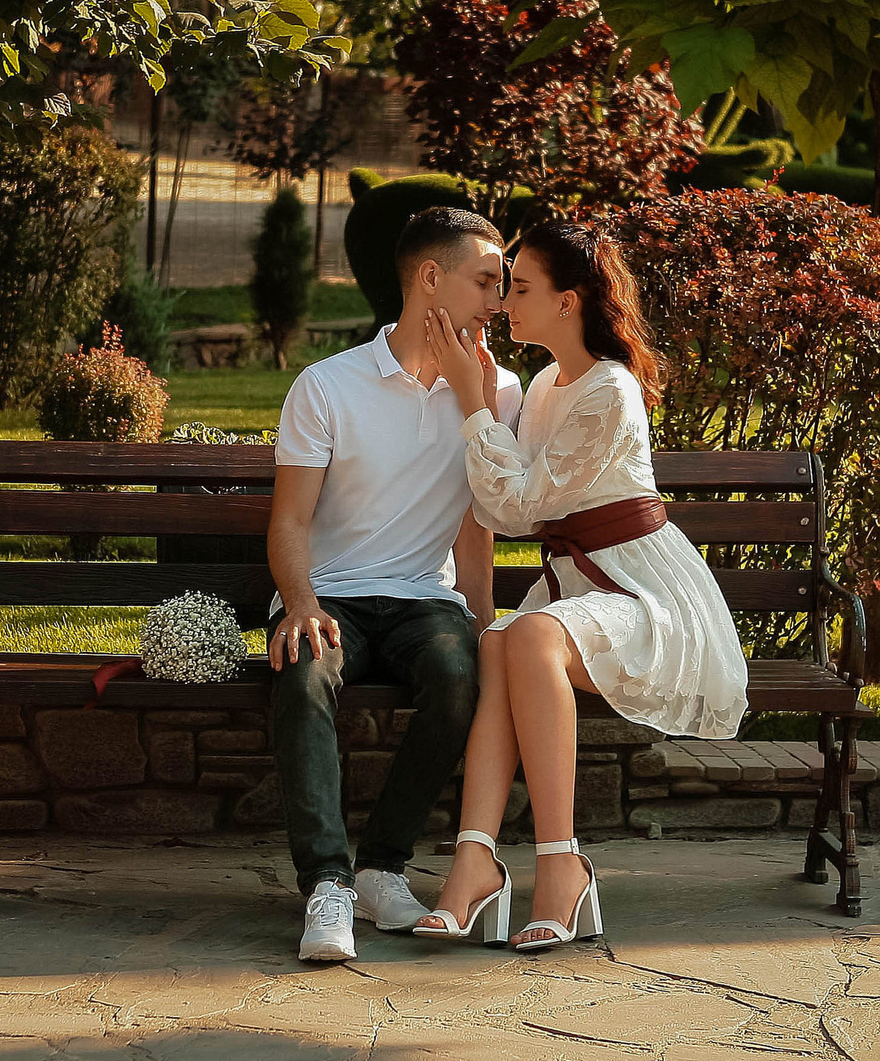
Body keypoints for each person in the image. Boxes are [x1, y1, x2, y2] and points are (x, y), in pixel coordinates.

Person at [413, 220, 748, 951]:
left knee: (526, 632)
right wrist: (481, 398)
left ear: (569, 302)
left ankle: (560, 865)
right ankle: (474, 862)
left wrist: (472, 400)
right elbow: (507, 507)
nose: (504, 303)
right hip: (577, 590)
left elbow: (520, 508)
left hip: (642, 594)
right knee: (503, 639)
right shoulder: (542, 386)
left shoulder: (610, 391)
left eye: (522, 288)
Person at [265, 205, 524, 962]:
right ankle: (326, 887)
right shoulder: (327, 386)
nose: (497, 302)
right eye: (484, 281)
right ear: (430, 278)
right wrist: (302, 604)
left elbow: (479, 525)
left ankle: (381, 868)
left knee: (458, 675)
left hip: (423, 597)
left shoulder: (497, 391)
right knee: (305, 670)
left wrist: (486, 627)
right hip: (330, 591)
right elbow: (289, 522)